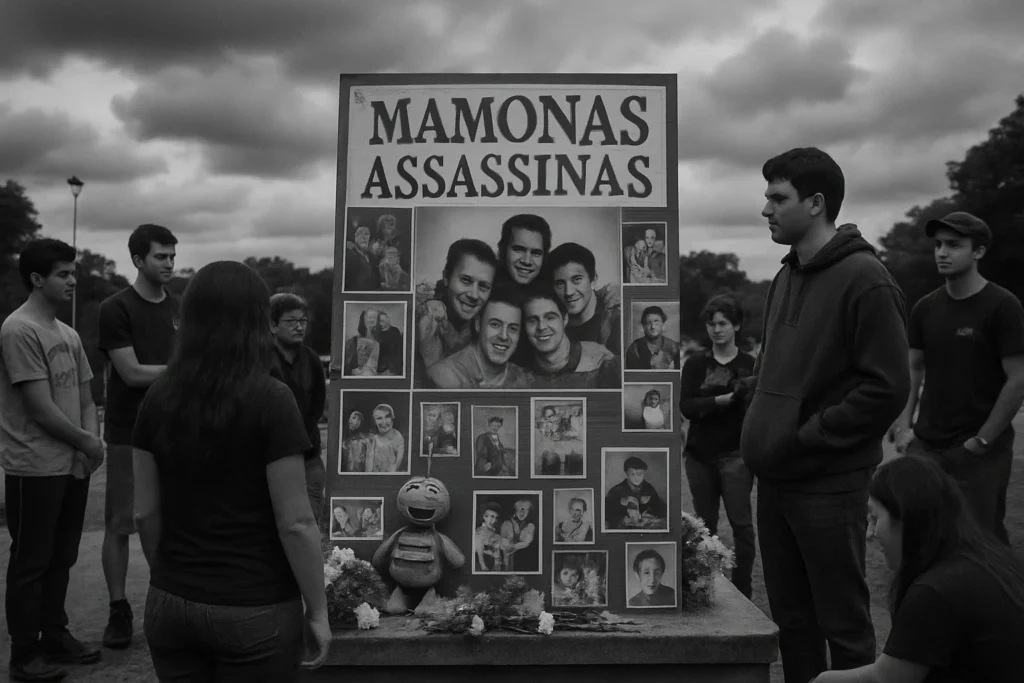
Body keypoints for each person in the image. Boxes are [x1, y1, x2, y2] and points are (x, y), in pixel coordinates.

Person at [742, 147, 911, 683]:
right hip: (775, 481)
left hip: (828, 484)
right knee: (791, 620)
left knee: (843, 622)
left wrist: (807, 436)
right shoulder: (785, 275)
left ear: (816, 203)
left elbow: (887, 388)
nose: (766, 209)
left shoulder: (866, 278)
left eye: (778, 197)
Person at [132, 261, 330, 680]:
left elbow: (144, 513)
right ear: (259, 321)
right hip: (255, 608)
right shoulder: (272, 400)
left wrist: (172, 579)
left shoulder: (157, 396)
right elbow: (295, 522)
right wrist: (318, 610)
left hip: (170, 602)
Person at [811, 455, 1024, 683]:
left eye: (875, 518)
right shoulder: (985, 558)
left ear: (905, 518)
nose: (870, 533)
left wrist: (823, 680)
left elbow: (886, 680)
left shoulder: (936, 592)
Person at [1, 239, 105, 681]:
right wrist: (89, 442)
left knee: (62, 556)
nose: (72, 281)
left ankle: (55, 634)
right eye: (63, 274)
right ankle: (25, 655)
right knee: (31, 562)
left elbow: (85, 396)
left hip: (71, 465)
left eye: (73, 273)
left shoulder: (69, 333)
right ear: (37, 279)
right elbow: (40, 408)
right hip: (33, 466)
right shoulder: (18, 330)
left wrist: (88, 448)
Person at [889, 212, 1024, 546]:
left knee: (980, 540)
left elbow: (1018, 379)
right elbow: (914, 368)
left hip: (979, 450)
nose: (942, 252)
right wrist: (905, 426)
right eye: (937, 245)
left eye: (953, 245)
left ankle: (998, 597)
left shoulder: (1002, 306)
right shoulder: (925, 308)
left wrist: (983, 440)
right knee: (921, 536)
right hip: (927, 444)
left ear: (978, 252)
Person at [96, 223, 179, 650]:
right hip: (129, 431)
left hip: (175, 431)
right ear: (138, 260)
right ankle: (117, 609)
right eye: (160, 256)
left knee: (167, 520)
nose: (168, 263)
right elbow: (129, 373)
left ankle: (166, 604)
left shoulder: (179, 308)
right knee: (120, 523)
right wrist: (185, 372)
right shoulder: (116, 308)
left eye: (171, 256)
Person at [680, 295, 757, 599]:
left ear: (736, 325)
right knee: (704, 530)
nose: (716, 329)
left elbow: (756, 407)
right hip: (699, 455)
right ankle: (707, 587)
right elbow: (686, 405)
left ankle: (744, 589)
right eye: (711, 323)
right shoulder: (697, 363)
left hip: (736, 454)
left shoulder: (750, 364)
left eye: (723, 323)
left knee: (742, 527)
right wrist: (719, 401)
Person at [269, 293, 327, 528]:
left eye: (302, 321)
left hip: (309, 453)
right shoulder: (260, 360)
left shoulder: (312, 359)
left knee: (312, 518)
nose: (298, 327)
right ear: (273, 325)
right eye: (291, 321)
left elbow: (317, 404)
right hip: (273, 455)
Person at [415, 239, 499, 375]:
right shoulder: (426, 318)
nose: (474, 295)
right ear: (447, 277)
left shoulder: (488, 322)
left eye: (484, 286)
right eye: (466, 280)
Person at [426, 283, 531, 389]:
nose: (504, 336)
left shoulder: (525, 379)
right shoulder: (444, 376)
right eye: (495, 324)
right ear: (478, 324)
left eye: (513, 328)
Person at [522, 285, 620, 389]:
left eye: (550, 318)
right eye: (532, 320)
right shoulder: (519, 371)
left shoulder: (600, 361)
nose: (541, 327)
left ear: (565, 319)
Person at [545, 242, 622, 355]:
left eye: (576, 279)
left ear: (594, 279)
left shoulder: (616, 316)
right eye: (560, 283)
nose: (568, 292)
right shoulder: (551, 324)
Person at [604, 456, 666, 529]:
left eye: (639, 474)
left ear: (644, 473)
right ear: (626, 474)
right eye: (632, 474)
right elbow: (605, 515)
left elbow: (661, 511)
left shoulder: (649, 489)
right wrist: (621, 507)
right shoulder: (615, 491)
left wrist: (650, 513)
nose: (636, 478)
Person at [625, 305, 680, 370]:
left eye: (656, 322)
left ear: (663, 324)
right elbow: (632, 377)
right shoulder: (634, 348)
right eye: (648, 323)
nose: (653, 327)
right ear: (643, 326)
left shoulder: (673, 347)